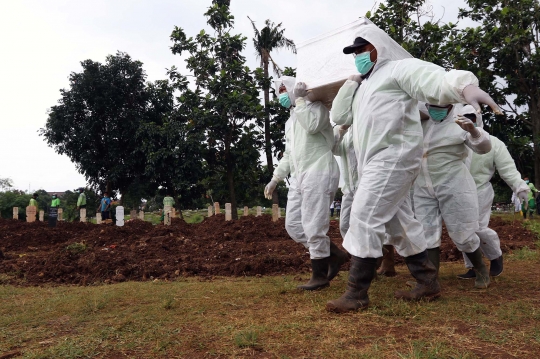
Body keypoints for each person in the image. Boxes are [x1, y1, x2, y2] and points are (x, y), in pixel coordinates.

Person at [325, 21, 502, 313]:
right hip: (375, 161)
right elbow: (340, 114)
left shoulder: (397, 70)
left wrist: (466, 88)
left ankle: (357, 292)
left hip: (393, 156)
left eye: (361, 49)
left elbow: (433, 78)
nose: (356, 55)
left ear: (376, 49)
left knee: (364, 215)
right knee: (400, 225)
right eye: (353, 52)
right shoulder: (364, 87)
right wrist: (352, 81)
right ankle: (427, 282)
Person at [264, 76, 347, 291]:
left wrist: (301, 101)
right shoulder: (290, 122)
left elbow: (311, 126)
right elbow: (289, 154)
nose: (283, 94)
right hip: (299, 176)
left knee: (313, 226)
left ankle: (319, 276)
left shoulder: (318, 108)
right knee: (293, 226)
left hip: (319, 171)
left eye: (285, 89)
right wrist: (275, 178)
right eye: (279, 90)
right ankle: (335, 254)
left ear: (295, 89)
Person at [409, 104, 492, 291]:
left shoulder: (459, 122)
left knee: (463, 233)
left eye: (441, 106)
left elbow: (484, 148)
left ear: (451, 104)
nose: (435, 109)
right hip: (423, 186)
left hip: (454, 185)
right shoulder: (421, 122)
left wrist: (474, 132)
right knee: (426, 233)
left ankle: (481, 270)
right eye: (431, 105)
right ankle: (430, 279)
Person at [457, 132, 529, 279]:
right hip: (456, 191)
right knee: (462, 230)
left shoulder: (494, 142)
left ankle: (495, 256)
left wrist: (519, 186)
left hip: (480, 190)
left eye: (472, 116)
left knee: (477, 227)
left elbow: (507, 167)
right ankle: (473, 266)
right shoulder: (453, 138)